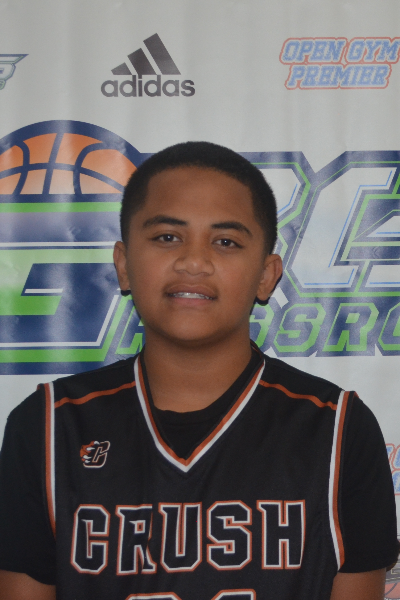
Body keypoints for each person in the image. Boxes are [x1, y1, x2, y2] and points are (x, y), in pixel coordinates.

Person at [0, 142, 397, 600]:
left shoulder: (337, 430)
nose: (193, 261)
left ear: (267, 275)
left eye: (225, 242)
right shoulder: (49, 427)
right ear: (124, 265)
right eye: (168, 237)